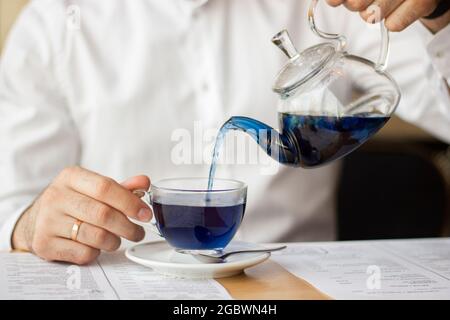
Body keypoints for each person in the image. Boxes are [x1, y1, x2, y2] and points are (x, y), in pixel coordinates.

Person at [0, 0, 449, 265]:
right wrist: (29, 225)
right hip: (127, 282)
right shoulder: (57, 22)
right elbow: (10, 207)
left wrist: (440, 17)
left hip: (295, 283)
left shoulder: (327, 8)